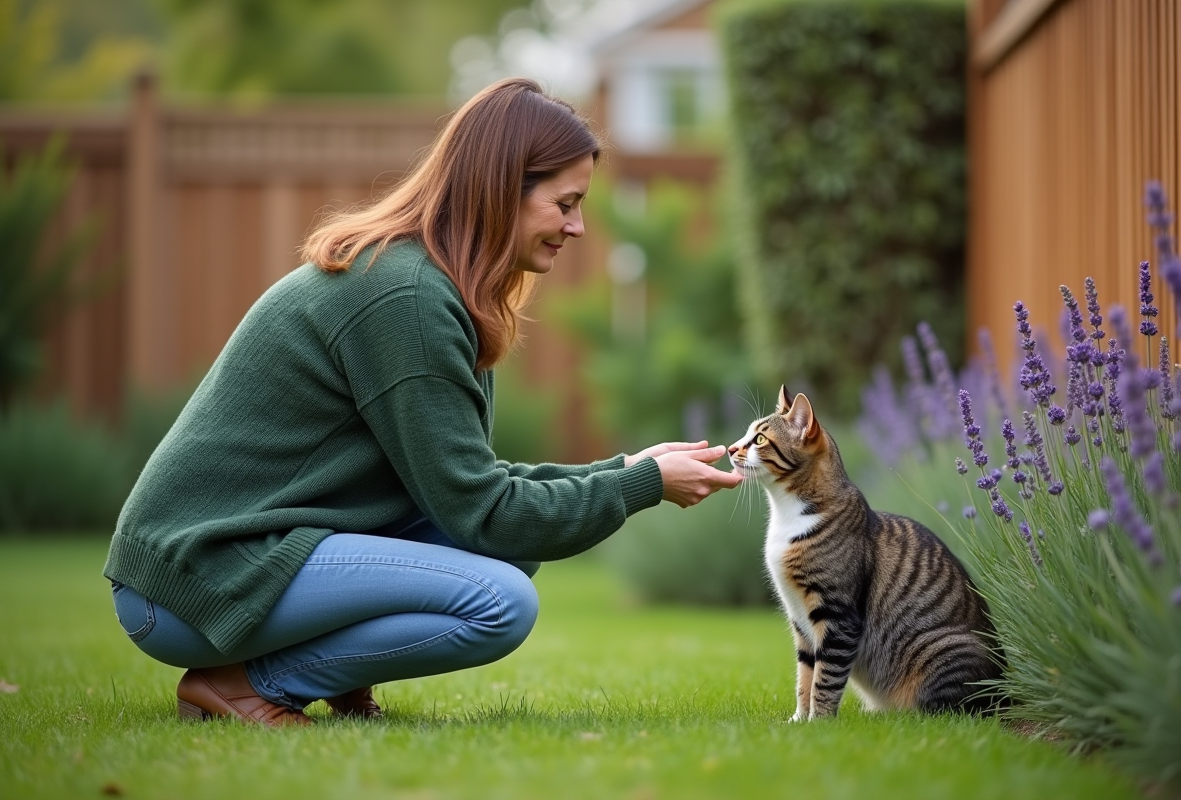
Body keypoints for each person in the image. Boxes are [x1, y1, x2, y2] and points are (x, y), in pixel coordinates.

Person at [104, 77, 743, 726]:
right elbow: (482, 510)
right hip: (195, 578)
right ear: (502, 191)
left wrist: (627, 469)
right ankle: (252, 684)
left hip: (251, 554)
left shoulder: (428, 283)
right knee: (501, 601)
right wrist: (640, 485)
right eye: (566, 203)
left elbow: (471, 494)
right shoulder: (404, 297)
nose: (578, 227)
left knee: (510, 554)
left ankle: (329, 681)